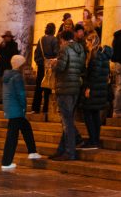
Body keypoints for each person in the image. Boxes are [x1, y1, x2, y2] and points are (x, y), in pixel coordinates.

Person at [0, 55, 41, 169]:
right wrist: (24, 107)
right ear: (20, 65)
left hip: (11, 107)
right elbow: (21, 94)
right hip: (16, 109)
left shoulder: (7, 76)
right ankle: (6, 162)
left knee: (26, 128)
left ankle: (32, 151)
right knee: (12, 137)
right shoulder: (17, 77)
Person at [51, 29, 85, 161]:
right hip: (75, 87)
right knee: (68, 119)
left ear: (63, 39)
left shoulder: (64, 48)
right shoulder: (80, 48)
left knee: (67, 121)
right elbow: (81, 66)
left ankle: (70, 152)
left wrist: (54, 64)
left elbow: (61, 67)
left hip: (64, 87)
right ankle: (61, 149)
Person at [81, 41, 113, 149]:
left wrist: (88, 87)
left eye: (87, 42)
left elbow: (94, 73)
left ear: (92, 42)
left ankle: (93, 140)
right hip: (100, 89)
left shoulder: (96, 56)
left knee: (88, 113)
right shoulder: (103, 55)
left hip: (94, 89)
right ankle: (95, 139)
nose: (86, 45)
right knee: (95, 114)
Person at [31, 22, 58, 113]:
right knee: (48, 88)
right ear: (53, 30)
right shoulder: (54, 40)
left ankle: (35, 108)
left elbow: (36, 54)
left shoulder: (41, 40)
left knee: (39, 87)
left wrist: (40, 63)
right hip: (50, 67)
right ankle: (46, 109)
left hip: (41, 67)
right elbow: (56, 54)